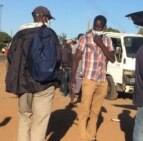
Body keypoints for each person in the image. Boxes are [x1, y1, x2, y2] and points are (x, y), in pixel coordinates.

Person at [5, 6, 61, 141]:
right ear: (45, 18)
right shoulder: (50, 33)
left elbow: (10, 58)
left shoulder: (19, 35)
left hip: (23, 84)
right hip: (44, 84)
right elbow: (58, 58)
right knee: (40, 122)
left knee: (25, 118)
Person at [69, 15, 115, 141]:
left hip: (102, 81)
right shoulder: (85, 38)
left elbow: (112, 58)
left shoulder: (108, 41)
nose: (97, 28)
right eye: (95, 26)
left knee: (95, 112)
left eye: (99, 27)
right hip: (88, 79)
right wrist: (72, 77)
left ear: (104, 27)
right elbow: (76, 58)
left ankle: (91, 136)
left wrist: (101, 44)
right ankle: (84, 137)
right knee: (84, 110)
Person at [66, 33, 84, 109]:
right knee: (76, 88)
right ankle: (71, 102)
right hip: (78, 69)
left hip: (83, 70)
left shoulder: (84, 47)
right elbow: (74, 58)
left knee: (82, 87)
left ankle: (79, 100)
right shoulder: (76, 47)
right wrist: (81, 56)